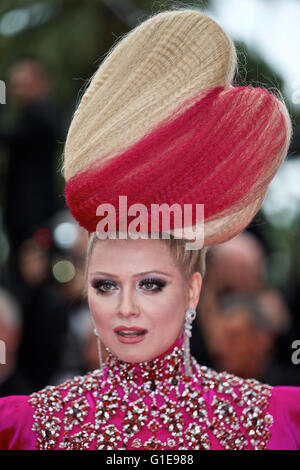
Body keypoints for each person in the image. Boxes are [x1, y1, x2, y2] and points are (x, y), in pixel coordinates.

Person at [0, 8, 299, 451]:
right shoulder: (21, 425)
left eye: (151, 285)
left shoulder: (277, 418)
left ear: (193, 291)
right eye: (104, 286)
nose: (125, 308)